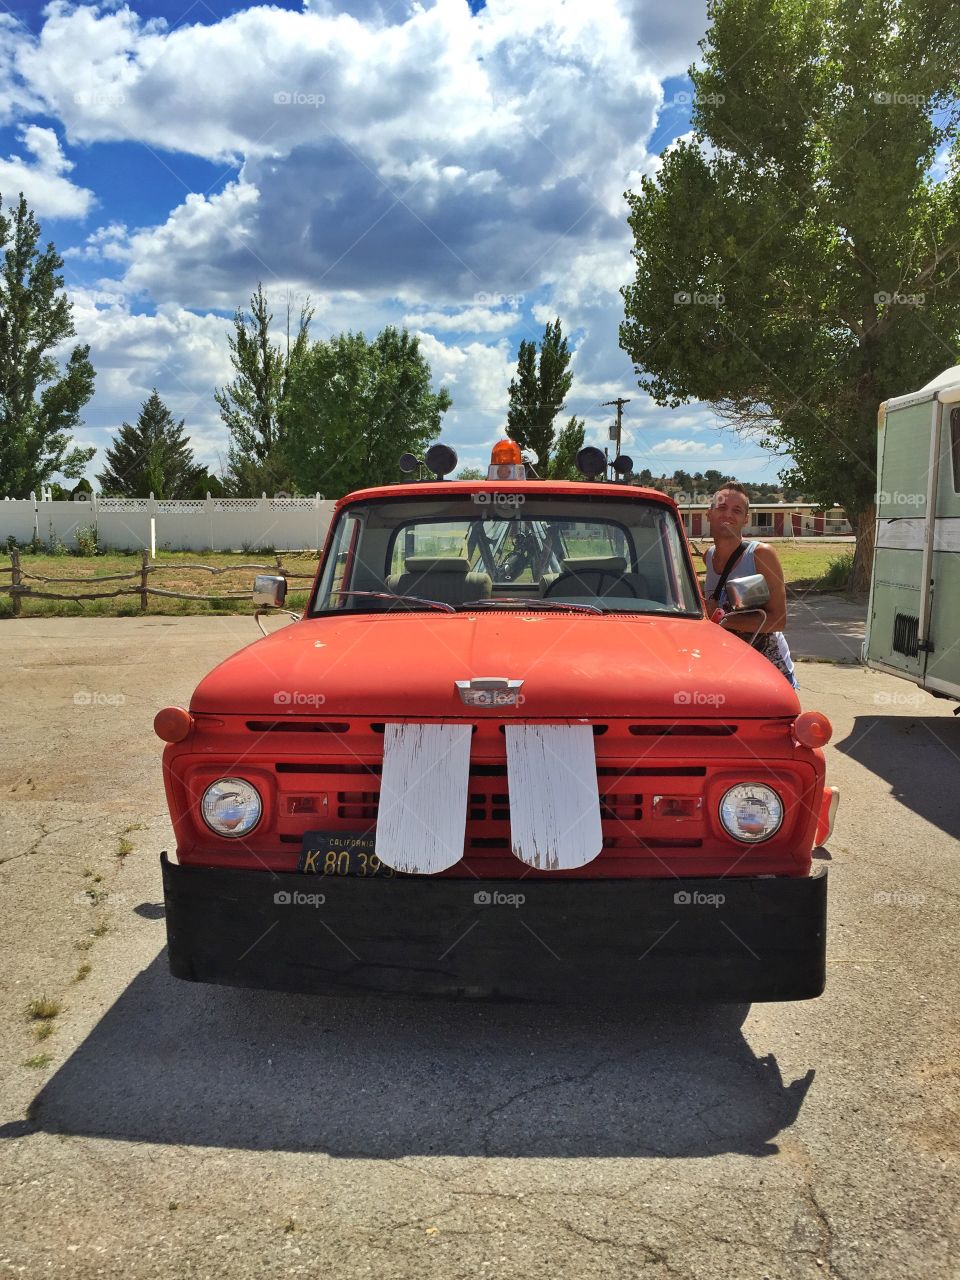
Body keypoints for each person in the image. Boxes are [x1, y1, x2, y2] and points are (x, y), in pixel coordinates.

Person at [704, 484, 798, 689]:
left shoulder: (761, 555)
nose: (728, 514)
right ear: (708, 514)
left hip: (768, 670)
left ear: (746, 519)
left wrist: (720, 619)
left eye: (736, 510)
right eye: (721, 508)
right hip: (730, 670)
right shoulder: (708, 556)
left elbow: (778, 621)